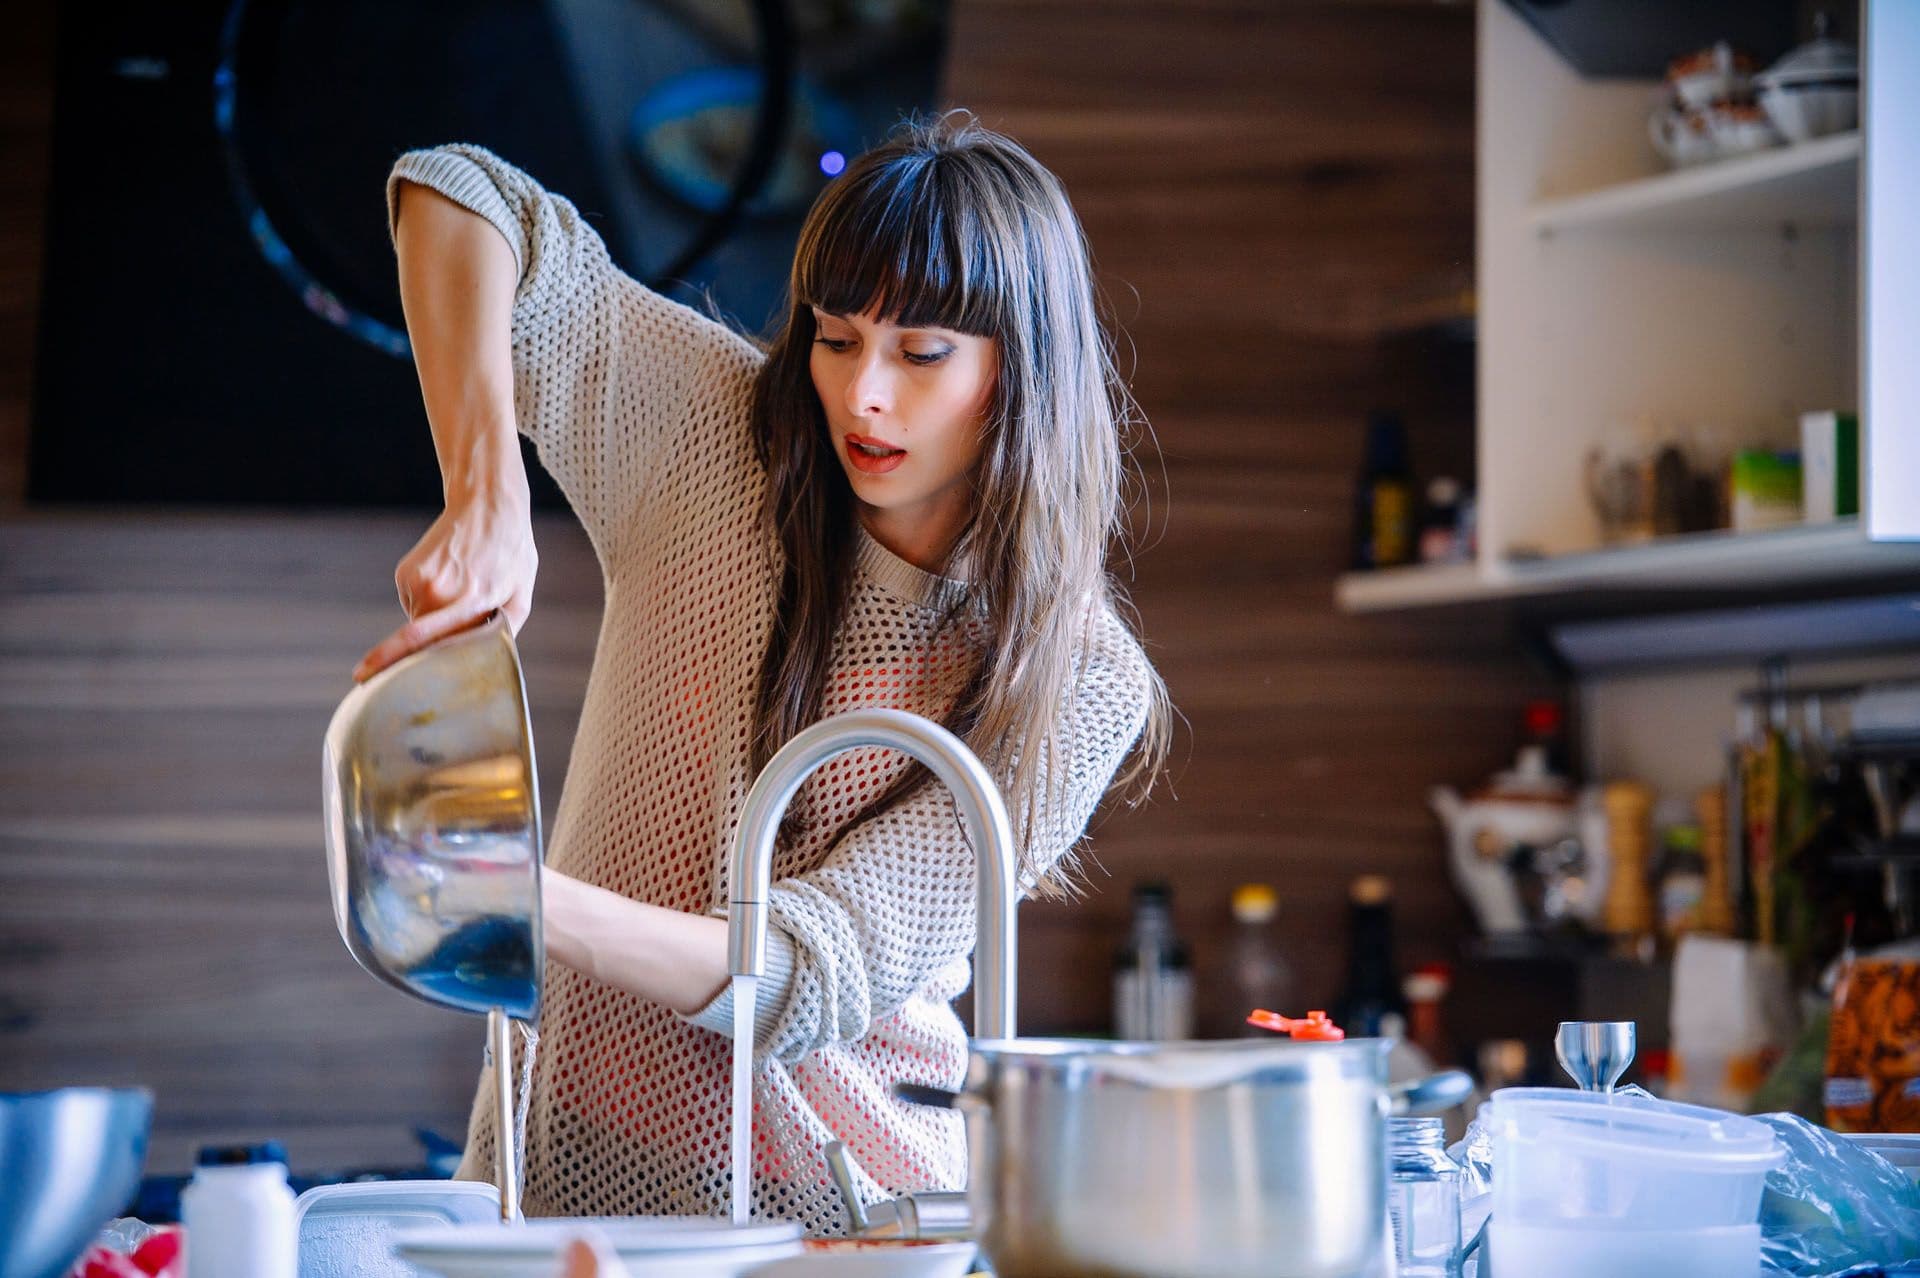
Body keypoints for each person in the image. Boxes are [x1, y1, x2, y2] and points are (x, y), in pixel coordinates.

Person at [355, 108, 1171, 1232]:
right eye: (836, 338)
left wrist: (515, 905)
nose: (863, 396)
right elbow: (456, 191)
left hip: (842, 1213)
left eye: (921, 353)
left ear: (1022, 372)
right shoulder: (716, 439)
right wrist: (483, 488)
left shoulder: (1079, 680)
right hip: (553, 1166)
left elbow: (803, 974)